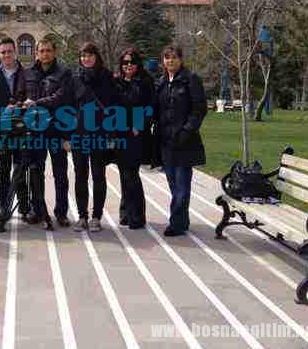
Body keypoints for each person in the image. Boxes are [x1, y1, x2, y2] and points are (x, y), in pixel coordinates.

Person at [153, 44, 207, 236]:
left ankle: (176, 223)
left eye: (174, 57)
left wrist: (186, 131)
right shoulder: (161, 82)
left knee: (182, 185)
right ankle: (182, 221)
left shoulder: (191, 80)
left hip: (185, 141)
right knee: (173, 184)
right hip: (166, 142)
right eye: (167, 58)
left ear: (181, 60)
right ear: (163, 61)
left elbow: (199, 110)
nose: (170, 61)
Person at [24, 37, 73, 228]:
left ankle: (61, 213)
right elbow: (23, 97)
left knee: (60, 173)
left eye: (48, 50)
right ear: (36, 53)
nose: (45, 54)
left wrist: (36, 103)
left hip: (57, 130)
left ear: (54, 52)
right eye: (41, 51)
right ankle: (38, 210)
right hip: (36, 130)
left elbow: (61, 99)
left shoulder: (64, 73)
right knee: (37, 172)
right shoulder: (29, 73)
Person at [70, 42, 117, 232]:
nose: (86, 58)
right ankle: (82, 217)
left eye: (89, 55)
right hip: (78, 133)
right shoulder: (75, 78)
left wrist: (111, 134)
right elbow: (69, 105)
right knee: (80, 175)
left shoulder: (106, 77)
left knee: (98, 175)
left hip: (99, 134)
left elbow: (113, 106)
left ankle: (96, 217)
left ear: (96, 56)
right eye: (82, 55)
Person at [0, 37, 29, 221]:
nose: (6, 55)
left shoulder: (26, 73)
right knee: (3, 169)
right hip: (3, 131)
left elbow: (31, 97)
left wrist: (20, 107)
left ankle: (24, 207)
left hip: (21, 129)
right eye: (3, 52)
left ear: (15, 51)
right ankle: (3, 206)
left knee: (21, 168)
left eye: (9, 51)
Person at [114, 47, 155, 229]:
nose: (128, 65)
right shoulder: (118, 82)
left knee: (132, 174)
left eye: (131, 62)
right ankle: (125, 213)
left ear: (137, 64)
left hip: (136, 134)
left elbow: (150, 106)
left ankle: (137, 215)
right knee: (124, 174)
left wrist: (139, 125)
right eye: (125, 63)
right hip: (120, 132)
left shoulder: (145, 82)